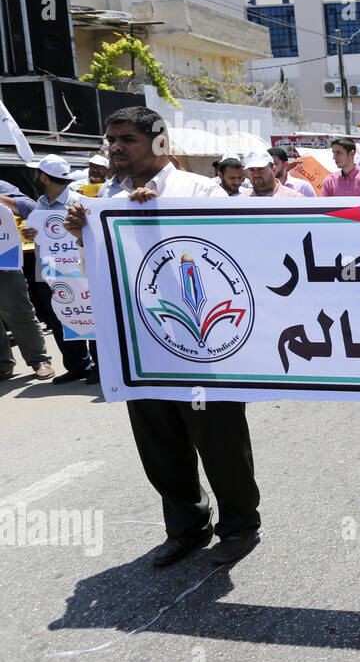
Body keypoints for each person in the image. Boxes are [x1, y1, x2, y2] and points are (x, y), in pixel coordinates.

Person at [64, 106, 264, 568]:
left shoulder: (199, 190)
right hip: (138, 346)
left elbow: (229, 258)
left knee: (219, 441)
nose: (114, 148)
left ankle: (239, 526)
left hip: (202, 349)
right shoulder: (101, 200)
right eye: (110, 139)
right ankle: (187, 527)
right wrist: (84, 236)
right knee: (159, 445)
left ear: (159, 143)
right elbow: (89, 275)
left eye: (127, 139)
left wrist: (157, 216)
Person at [19, 155, 97, 384]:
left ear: (43, 177)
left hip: (79, 273)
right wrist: (30, 233)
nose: (33, 177)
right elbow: (39, 233)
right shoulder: (41, 202)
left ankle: (100, 366)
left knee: (88, 317)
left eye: (36, 173)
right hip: (48, 273)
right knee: (59, 319)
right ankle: (78, 366)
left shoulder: (82, 203)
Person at [0, 179, 55, 382]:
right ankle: (3, 365)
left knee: (18, 312)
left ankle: (39, 360)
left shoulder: (2, 187)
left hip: (4, 258)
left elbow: (30, 208)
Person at [240, 151, 305, 198]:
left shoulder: (294, 198)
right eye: (251, 170)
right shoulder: (241, 200)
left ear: (273, 169)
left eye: (261, 169)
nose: (256, 174)